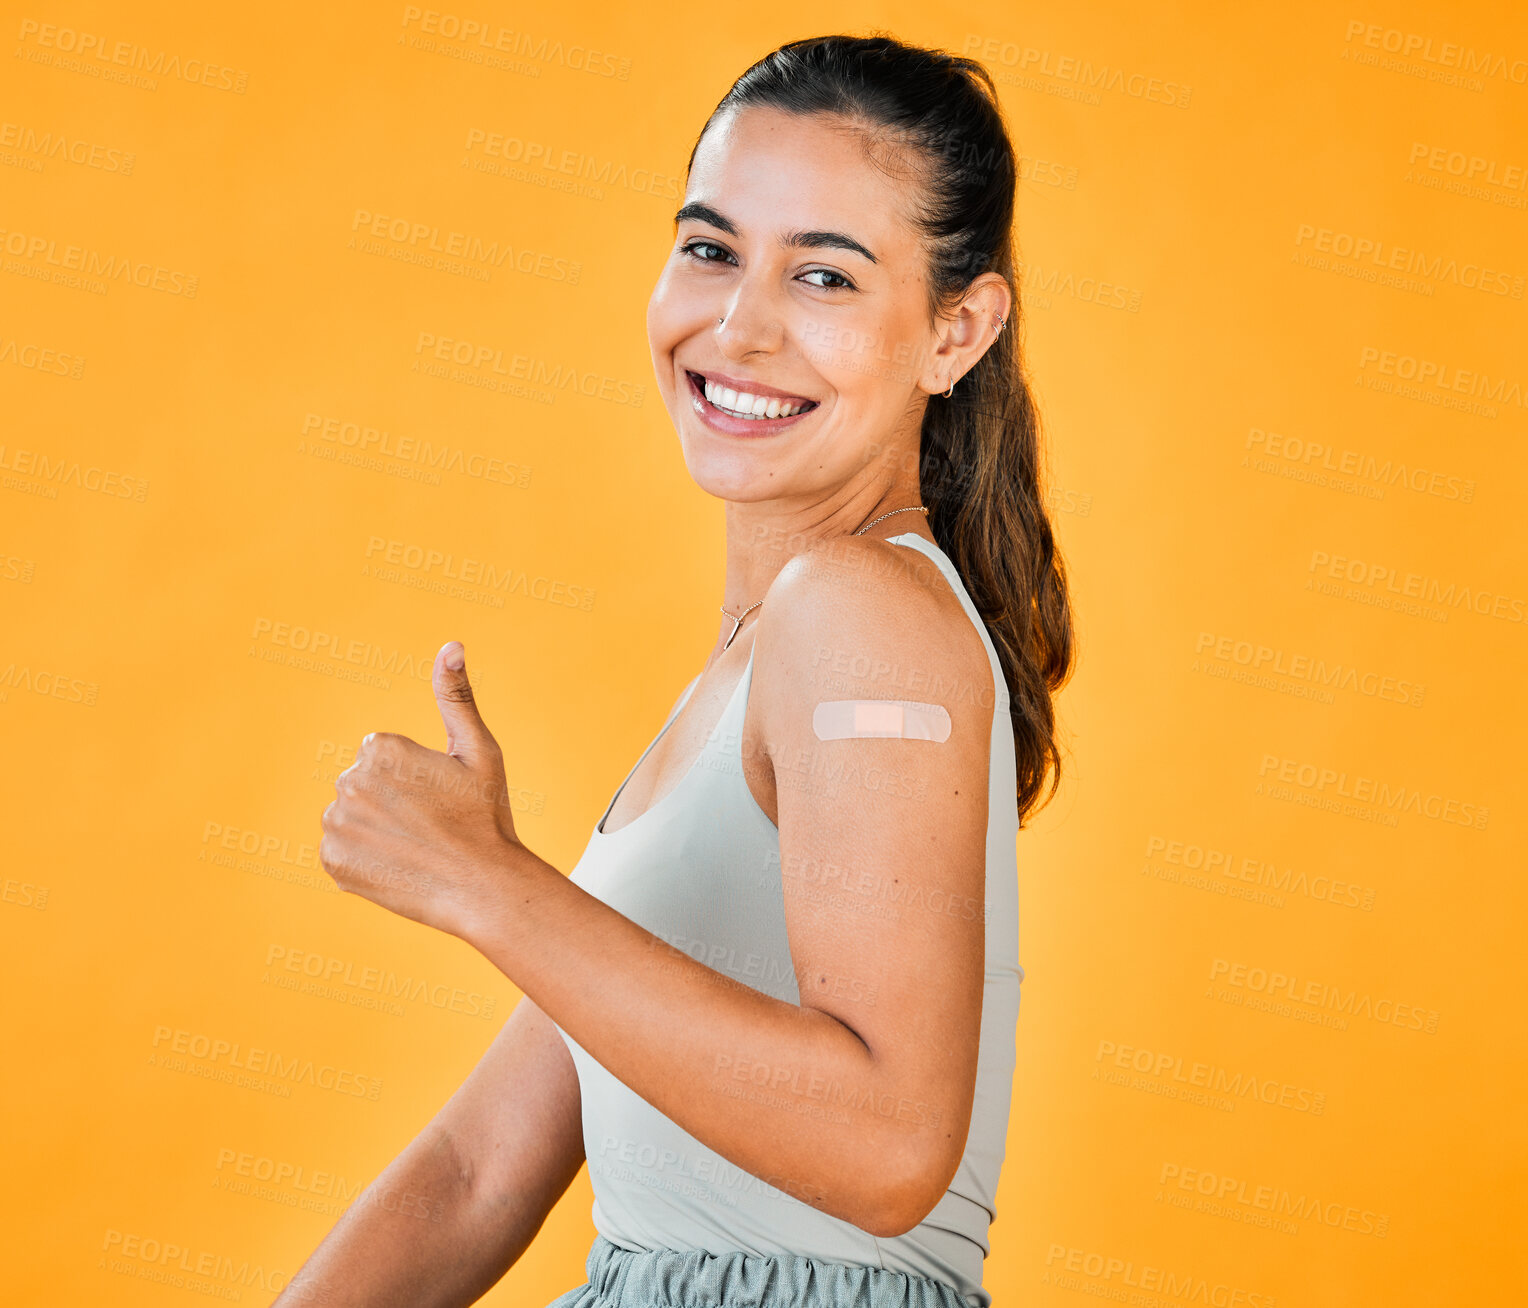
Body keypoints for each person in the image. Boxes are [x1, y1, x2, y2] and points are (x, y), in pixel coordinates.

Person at [277, 31, 1075, 1308]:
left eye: (824, 277)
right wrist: (504, 891)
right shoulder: (756, 663)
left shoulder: (862, 609)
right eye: (710, 250)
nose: (739, 325)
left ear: (956, 331)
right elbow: (480, 1169)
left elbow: (888, 1149)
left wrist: (485, 882)